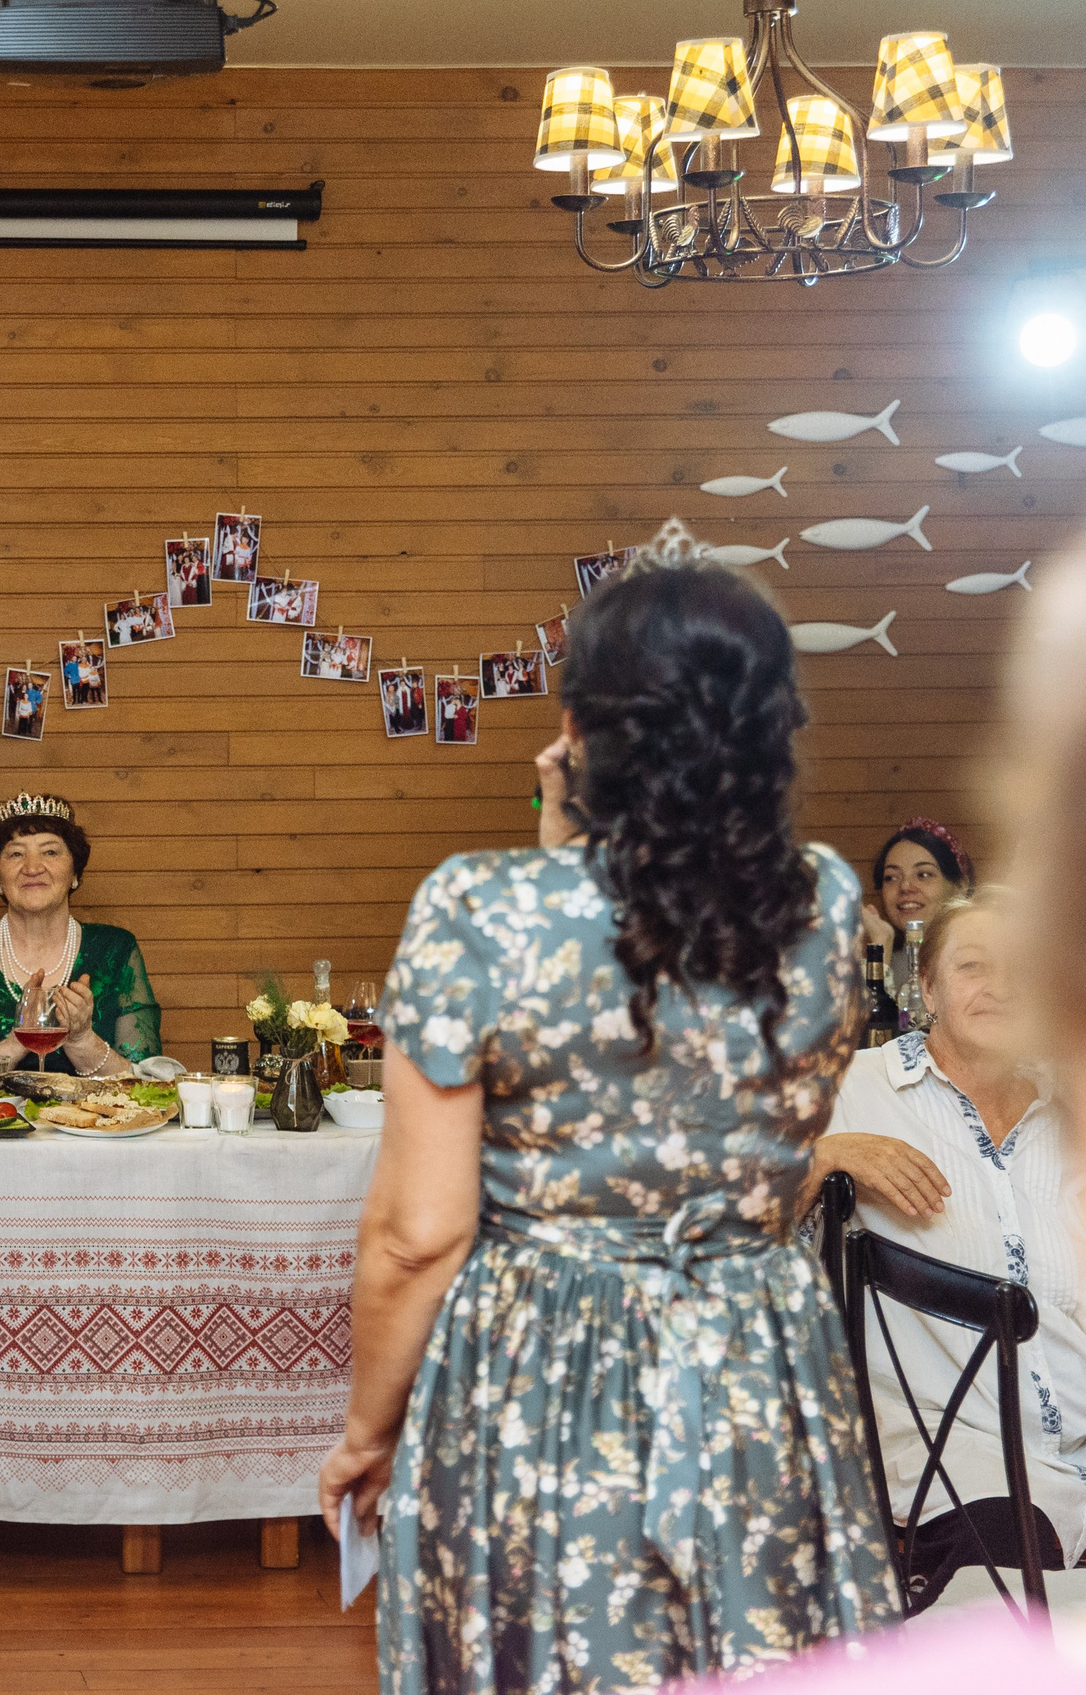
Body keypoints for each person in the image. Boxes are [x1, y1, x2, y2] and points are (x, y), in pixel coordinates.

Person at [319, 564, 897, 1690]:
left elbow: (418, 1233)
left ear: (579, 725)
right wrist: (572, 831)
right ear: (770, 726)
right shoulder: (826, 902)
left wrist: (365, 1431)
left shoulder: (480, 907)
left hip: (549, 1360)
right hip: (758, 1354)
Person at [804, 886, 1081, 1607]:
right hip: (959, 1463)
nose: (1000, 988)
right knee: (1007, 1616)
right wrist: (822, 1153)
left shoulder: (1074, 1110)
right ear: (924, 986)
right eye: (972, 967)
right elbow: (719, 1205)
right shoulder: (851, 1089)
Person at [0, 793, 159, 1081]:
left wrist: (81, 1039)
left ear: (75, 871)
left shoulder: (115, 949)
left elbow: (148, 1085)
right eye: (16, 853)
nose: (32, 867)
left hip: (91, 1125)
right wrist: (20, 1039)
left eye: (50, 852)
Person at [861, 817, 975, 994]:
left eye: (923, 874)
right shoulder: (874, 961)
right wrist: (879, 948)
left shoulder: (981, 961)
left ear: (960, 887)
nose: (905, 887)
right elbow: (862, 1020)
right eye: (891, 877)